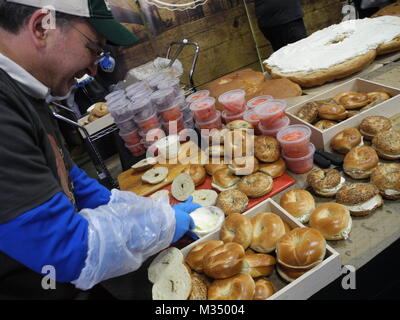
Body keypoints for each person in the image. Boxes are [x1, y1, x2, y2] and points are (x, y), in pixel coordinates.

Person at [0, 0, 199, 299]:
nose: (94, 69)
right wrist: (163, 225)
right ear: (43, 27)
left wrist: (133, 210)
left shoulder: (28, 91)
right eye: (95, 49)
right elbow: (66, 250)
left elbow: (68, 176)